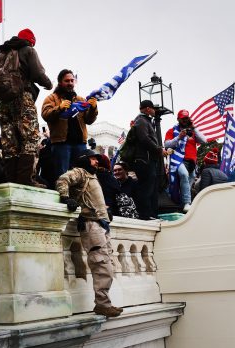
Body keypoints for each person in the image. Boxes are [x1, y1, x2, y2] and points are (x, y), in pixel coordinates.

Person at [56, 150, 123, 318]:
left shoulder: (91, 176)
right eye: (93, 159)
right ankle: (102, 305)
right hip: (91, 224)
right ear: (84, 160)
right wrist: (65, 198)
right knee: (101, 264)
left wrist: (105, 215)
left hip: (100, 224)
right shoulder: (80, 173)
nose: (96, 162)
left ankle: (104, 303)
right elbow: (63, 180)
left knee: (107, 265)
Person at [0, 28, 52, 187]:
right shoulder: (28, 50)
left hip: (3, 102)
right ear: (31, 41)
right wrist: (48, 84)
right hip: (23, 97)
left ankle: (11, 180)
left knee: (9, 141)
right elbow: (37, 73)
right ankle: (25, 180)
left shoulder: (2, 53)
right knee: (30, 137)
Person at [41, 69, 98, 178]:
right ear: (60, 83)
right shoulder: (51, 98)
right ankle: (63, 195)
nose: (70, 83)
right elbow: (45, 115)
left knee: (81, 175)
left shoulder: (80, 99)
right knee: (62, 175)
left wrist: (93, 108)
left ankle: (77, 195)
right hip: (61, 144)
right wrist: (59, 108)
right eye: (67, 81)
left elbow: (89, 120)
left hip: (80, 144)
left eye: (72, 81)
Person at [163, 109, 206, 211]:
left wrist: (194, 127)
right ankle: (187, 203)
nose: (185, 120)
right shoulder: (172, 131)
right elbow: (166, 145)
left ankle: (182, 206)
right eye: (183, 118)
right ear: (178, 119)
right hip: (178, 160)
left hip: (192, 162)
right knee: (184, 174)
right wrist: (179, 137)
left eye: (187, 118)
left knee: (187, 185)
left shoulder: (192, 131)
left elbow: (204, 140)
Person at [128, 100, 163, 220]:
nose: (155, 111)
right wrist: (159, 150)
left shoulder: (144, 120)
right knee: (146, 189)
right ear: (148, 109)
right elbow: (144, 139)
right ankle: (145, 215)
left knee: (151, 188)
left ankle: (151, 214)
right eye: (153, 108)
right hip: (144, 161)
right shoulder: (141, 120)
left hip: (147, 160)